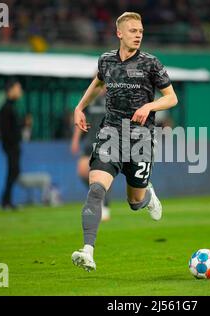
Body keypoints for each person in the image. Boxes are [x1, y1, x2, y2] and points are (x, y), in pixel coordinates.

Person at [71, 12, 178, 271]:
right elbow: (98, 83)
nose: (138, 34)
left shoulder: (151, 63)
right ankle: (88, 251)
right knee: (96, 189)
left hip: (141, 139)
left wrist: (150, 105)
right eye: (132, 30)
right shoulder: (106, 60)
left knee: (134, 202)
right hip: (111, 134)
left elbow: (172, 98)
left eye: (140, 30)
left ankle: (148, 195)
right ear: (120, 33)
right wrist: (80, 107)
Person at [70, 89, 111, 222]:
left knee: (102, 173)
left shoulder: (114, 97)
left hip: (106, 142)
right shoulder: (88, 98)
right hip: (89, 141)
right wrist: (75, 140)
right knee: (82, 171)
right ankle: (97, 197)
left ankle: (104, 206)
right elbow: (80, 118)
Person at [0, 79, 23, 210]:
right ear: (11, 90)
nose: (20, 91)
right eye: (18, 88)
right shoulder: (6, 108)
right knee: (13, 171)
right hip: (11, 146)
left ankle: (6, 200)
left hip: (14, 146)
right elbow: (5, 130)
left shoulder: (11, 107)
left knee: (14, 172)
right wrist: (11, 144)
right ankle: (5, 201)